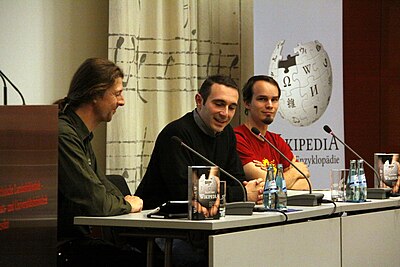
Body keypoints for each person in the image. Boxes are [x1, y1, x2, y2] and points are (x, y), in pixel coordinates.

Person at [135, 74, 264, 267]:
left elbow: (236, 179)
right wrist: (244, 193)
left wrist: (244, 190)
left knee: (252, 248)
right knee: (214, 258)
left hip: (206, 225)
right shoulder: (176, 135)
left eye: (231, 107)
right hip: (163, 229)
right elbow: (187, 195)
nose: (225, 114)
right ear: (199, 101)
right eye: (219, 104)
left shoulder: (227, 133)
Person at [56, 58, 145, 266]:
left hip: (79, 241)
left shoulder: (81, 135)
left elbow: (106, 189)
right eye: (117, 94)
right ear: (96, 95)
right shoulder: (64, 134)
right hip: (60, 247)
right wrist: (126, 205)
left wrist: (122, 202)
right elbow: (96, 202)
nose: (122, 102)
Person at [234, 75, 310, 190]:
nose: (270, 105)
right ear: (247, 103)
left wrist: (273, 179)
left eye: (274, 100)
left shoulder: (276, 141)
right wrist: (294, 173)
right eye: (262, 99)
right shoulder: (237, 138)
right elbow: (268, 185)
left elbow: (305, 185)